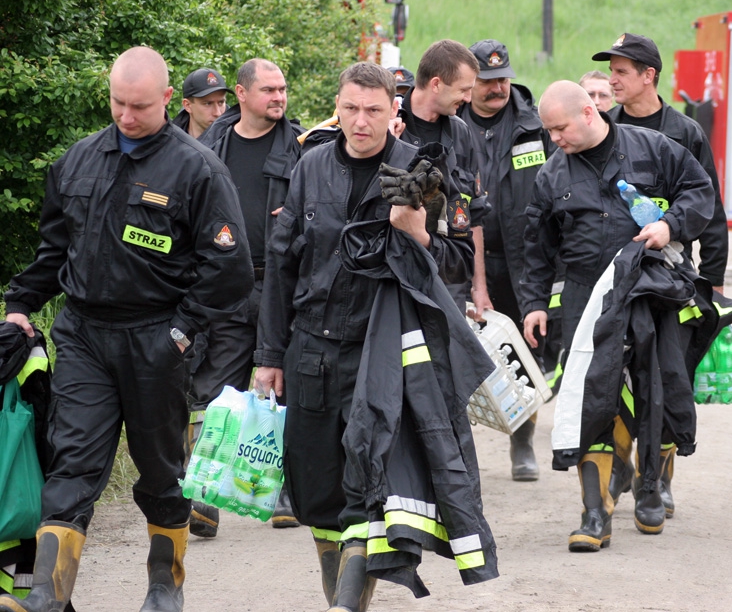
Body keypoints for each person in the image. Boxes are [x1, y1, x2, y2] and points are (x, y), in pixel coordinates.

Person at [0, 46, 253, 612]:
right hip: (85, 335)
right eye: (118, 103)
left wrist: (182, 333)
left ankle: (165, 584)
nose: (127, 116)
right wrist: (20, 304)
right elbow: (53, 251)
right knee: (72, 460)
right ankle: (46, 592)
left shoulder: (197, 169)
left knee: (161, 472)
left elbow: (230, 270)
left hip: (156, 340)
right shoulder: (78, 161)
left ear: (167, 99)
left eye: (139, 106)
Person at [252, 62, 495, 609]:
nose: (360, 122)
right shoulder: (310, 166)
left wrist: (418, 232)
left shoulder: (424, 172)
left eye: (374, 111)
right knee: (317, 496)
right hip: (312, 349)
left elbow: (458, 260)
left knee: (368, 489)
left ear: (395, 112)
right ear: (337, 108)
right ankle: (337, 595)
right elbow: (281, 264)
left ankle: (346, 606)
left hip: (382, 356)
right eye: (351, 109)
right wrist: (270, 355)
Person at [520, 80, 715, 551]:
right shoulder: (551, 175)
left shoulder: (655, 149)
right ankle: (594, 514)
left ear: (589, 113)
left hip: (653, 289)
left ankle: (650, 486)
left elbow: (700, 191)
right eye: (548, 131)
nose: (554, 139)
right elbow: (536, 249)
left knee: (664, 390)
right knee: (593, 401)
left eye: (560, 128)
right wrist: (532, 306)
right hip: (589, 297)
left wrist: (670, 224)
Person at [592, 32, 731, 515]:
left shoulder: (684, 132)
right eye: (610, 70)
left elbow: (709, 208)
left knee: (669, 380)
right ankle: (622, 470)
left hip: (671, 280)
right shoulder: (602, 129)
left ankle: (662, 475)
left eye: (622, 71)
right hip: (614, 280)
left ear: (649, 76)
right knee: (610, 381)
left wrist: (711, 281)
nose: (612, 79)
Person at [195, 58, 304, 535]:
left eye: (282, 89)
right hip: (227, 284)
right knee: (213, 390)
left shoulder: (302, 148)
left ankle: (284, 492)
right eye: (269, 90)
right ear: (241, 94)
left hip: (283, 284)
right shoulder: (209, 146)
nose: (279, 97)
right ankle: (204, 495)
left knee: (285, 389)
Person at [456, 39, 554, 482]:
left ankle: (522, 440)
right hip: (462, 258)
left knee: (523, 353)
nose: (497, 89)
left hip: (523, 259)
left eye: (502, 79)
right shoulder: (451, 123)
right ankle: (456, 446)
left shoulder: (537, 126)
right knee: (456, 352)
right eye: (486, 81)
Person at [396, 40, 486, 309]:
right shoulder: (389, 123)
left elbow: (470, 213)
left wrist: (476, 286)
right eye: (464, 90)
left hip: (447, 278)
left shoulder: (461, 133)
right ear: (436, 84)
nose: (469, 99)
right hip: (396, 276)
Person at [170, 67, 232, 139]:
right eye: (208, 103)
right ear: (187, 105)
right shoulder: (169, 142)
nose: (217, 113)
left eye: (221, 102)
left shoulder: (234, 139)